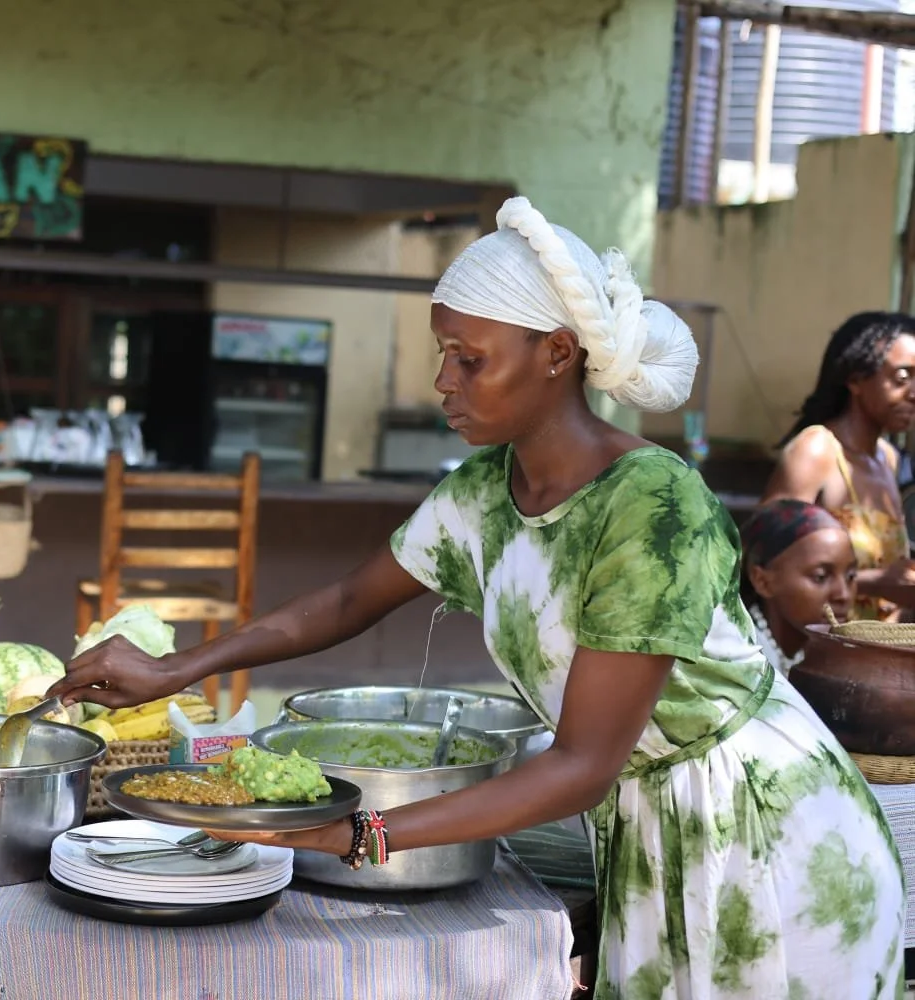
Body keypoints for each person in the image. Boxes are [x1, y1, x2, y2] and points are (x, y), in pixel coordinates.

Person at [51, 198, 906, 998]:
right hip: (647, 825)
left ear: (557, 354)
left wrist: (359, 833)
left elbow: (580, 765)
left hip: (761, 831)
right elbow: (350, 600)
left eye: (471, 359)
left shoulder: (652, 505)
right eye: (442, 355)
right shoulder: (485, 491)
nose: (444, 382)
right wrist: (174, 669)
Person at [762, 312, 915, 621]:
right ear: (856, 379)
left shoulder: (888, 458)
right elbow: (769, 563)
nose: (913, 393)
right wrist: (876, 584)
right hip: (820, 654)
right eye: (902, 378)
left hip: (872, 658)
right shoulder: (816, 451)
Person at [739, 498, 856, 675]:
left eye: (850, 576)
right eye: (820, 577)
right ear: (762, 581)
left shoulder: (817, 657)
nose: (843, 595)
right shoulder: (740, 658)